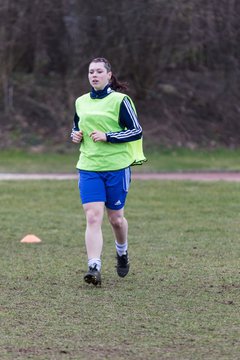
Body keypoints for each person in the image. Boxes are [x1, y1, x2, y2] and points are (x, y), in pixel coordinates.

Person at [71, 57, 146, 286]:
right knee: (93, 216)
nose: (94, 75)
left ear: (109, 75)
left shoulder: (120, 101)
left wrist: (109, 136)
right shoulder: (81, 101)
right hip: (89, 167)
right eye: (91, 72)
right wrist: (74, 135)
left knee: (116, 219)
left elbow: (136, 131)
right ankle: (94, 266)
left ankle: (122, 252)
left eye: (99, 71)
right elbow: (77, 126)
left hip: (116, 167)